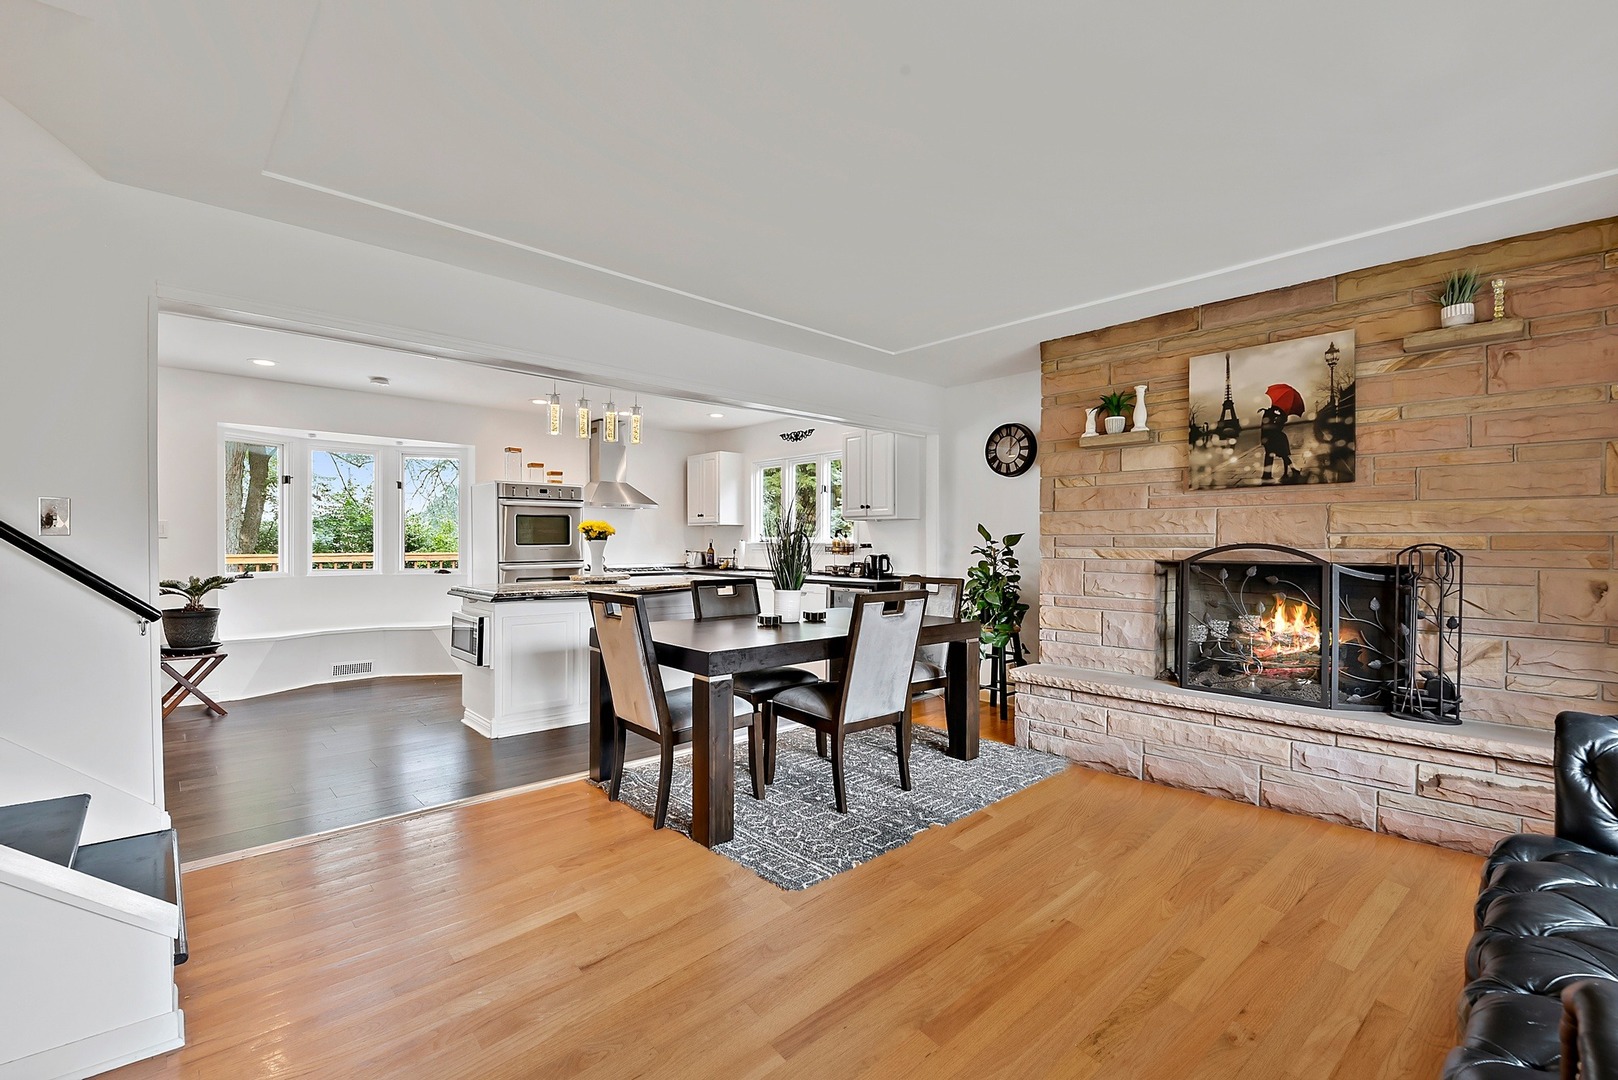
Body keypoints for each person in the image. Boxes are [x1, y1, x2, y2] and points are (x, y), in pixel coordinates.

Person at [1259, 405, 1295, 482]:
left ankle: (1267, 474)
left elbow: (1267, 426)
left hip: (1274, 439)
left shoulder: (1275, 416)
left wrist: (1270, 410)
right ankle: (1292, 470)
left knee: (1277, 456)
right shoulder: (1277, 416)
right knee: (1283, 456)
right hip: (1275, 438)